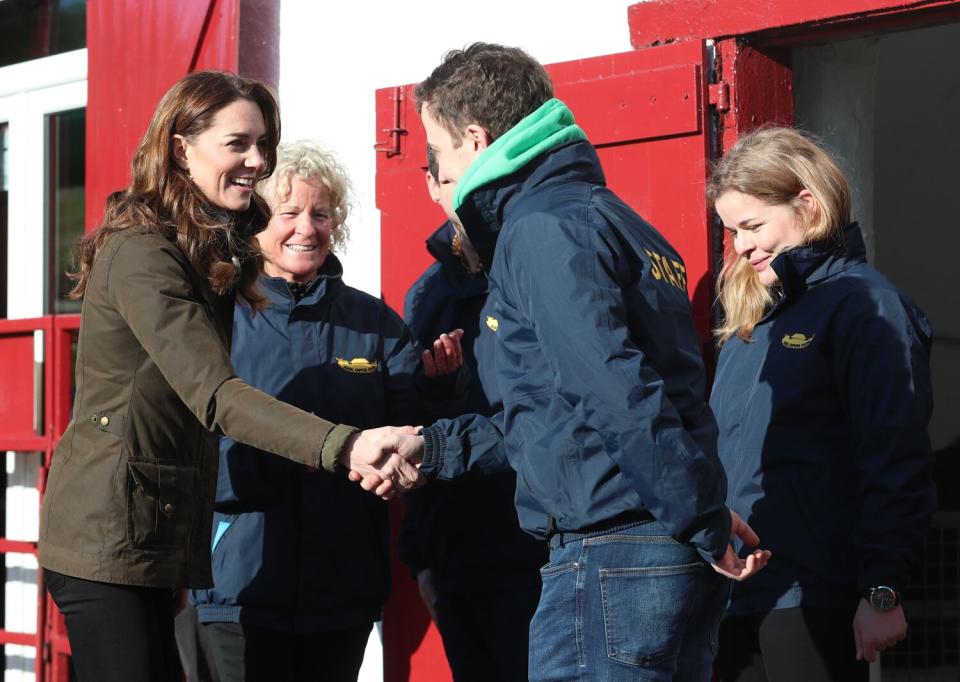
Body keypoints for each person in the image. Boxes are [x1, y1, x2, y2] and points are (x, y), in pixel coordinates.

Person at [367, 43, 771, 681]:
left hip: (613, 556)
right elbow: (556, 412)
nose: (438, 170)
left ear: (475, 138)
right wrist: (433, 447)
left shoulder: (541, 227)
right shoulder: (622, 223)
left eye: (438, 151)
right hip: (651, 549)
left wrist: (702, 518)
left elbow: (616, 390)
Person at [36, 72, 420, 682]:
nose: (257, 161)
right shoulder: (144, 253)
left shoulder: (204, 252)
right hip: (105, 540)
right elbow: (216, 396)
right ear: (182, 147)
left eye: (263, 145)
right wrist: (345, 444)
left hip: (155, 539)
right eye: (238, 143)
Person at [188, 139, 462, 682]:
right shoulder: (216, 319)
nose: (306, 228)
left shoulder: (376, 324)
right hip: (238, 588)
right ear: (257, 221)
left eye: (320, 213)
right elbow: (188, 453)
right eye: (288, 213)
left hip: (342, 590)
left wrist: (435, 393)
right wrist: (293, 459)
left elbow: (412, 440)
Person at [706, 127, 936, 682]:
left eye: (754, 226)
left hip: (816, 592)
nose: (741, 245)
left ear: (807, 204)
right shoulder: (751, 321)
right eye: (732, 230)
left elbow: (895, 451)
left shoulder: (865, 305)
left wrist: (882, 589)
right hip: (735, 597)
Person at [396, 148, 547, 681]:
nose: (467, 195)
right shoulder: (424, 296)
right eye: (452, 181)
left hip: (538, 553)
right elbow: (413, 423)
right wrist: (423, 558)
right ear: (432, 186)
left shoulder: (533, 267)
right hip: (457, 559)